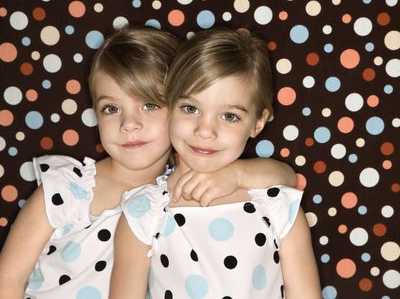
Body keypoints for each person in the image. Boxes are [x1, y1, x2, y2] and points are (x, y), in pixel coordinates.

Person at [0, 26, 297, 298]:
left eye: (150, 105)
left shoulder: (179, 195)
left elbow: (284, 177)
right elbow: (8, 279)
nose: (130, 124)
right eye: (111, 108)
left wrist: (237, 173)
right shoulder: (67, 190)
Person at [110, 28, 321, 298]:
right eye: (190, 108)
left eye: (230, 116)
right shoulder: (144, 213)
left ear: (257, 122)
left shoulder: (277, 206)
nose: (205, 130)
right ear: (169, 107)